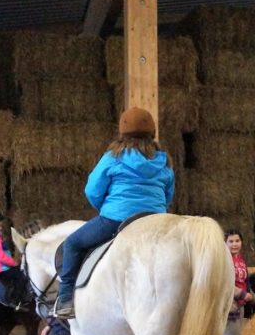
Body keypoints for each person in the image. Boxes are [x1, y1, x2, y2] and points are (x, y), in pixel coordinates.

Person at [53, 107, 174, 319]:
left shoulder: (114, 157)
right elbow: (169, 193)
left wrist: (106, 209)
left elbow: (92, 190)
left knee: (72, 244)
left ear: (122, 133)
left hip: (116, 219)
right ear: (152, 133)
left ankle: (65, 299)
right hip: (156, 222)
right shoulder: (164, 160)